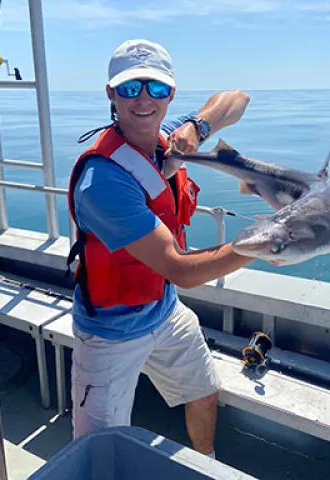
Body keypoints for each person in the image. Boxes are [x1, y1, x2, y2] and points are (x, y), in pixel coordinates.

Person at [67, 38, 252, 459]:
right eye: (130, 88)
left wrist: (198, 127)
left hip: (164, 312)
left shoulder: (168, 141)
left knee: (204, 391)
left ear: (171, 94)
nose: (144, 99)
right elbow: (181, 271)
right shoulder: (102, 182)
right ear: (111, 94)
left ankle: (204, 465)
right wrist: (270, 240)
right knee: (98, 450)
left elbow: (238, 99)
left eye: (156, 88)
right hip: (110, 334)